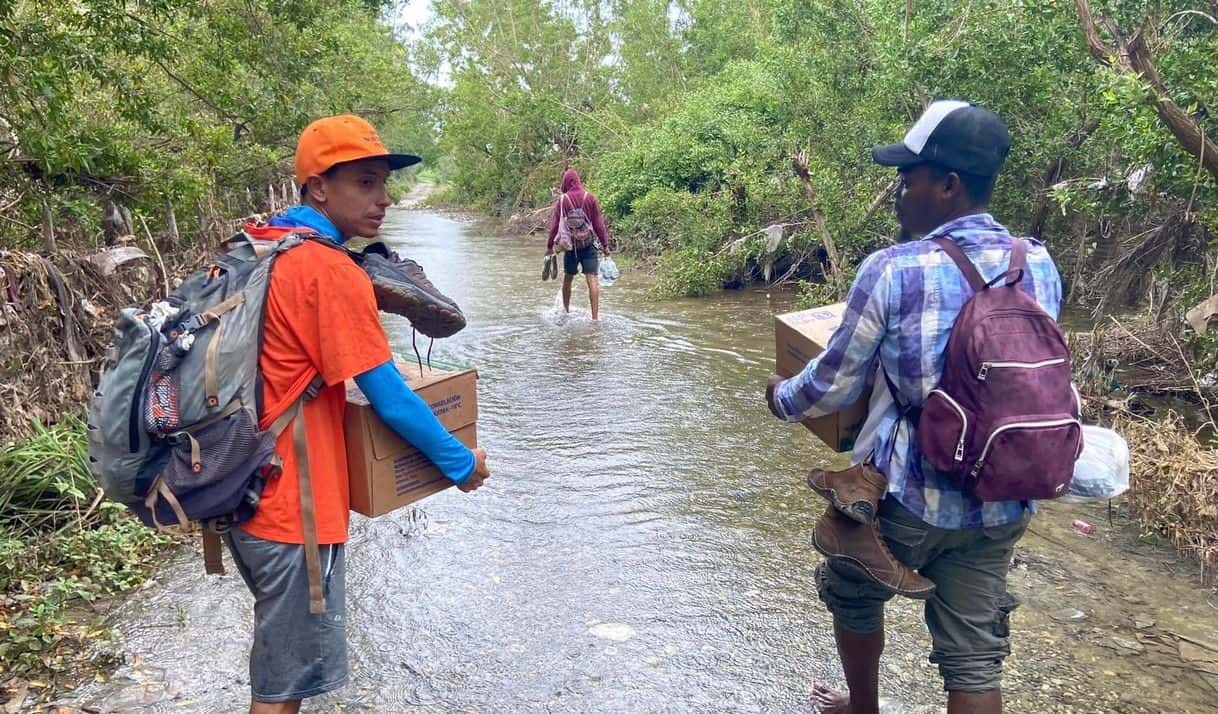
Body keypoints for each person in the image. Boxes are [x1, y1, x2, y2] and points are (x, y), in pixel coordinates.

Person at [765, 101, 1063, 714]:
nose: (899, 191)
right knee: (974, 650)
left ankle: (863, 708)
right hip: (1006, 487)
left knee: (848, 578)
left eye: (910, 178)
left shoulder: (894, 268)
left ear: (949, 185)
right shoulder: (1037, 261)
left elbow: (834, 386)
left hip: (911, 493)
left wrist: (780, 397)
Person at [230, 114, 491, 714]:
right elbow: (390, 396)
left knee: (279, 662)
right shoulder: (327, 269)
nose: (384, 200)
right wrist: (460, 463)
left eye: (384, 184)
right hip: (292, 508)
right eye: (366, 183)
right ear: (319, 188)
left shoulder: (261, 245)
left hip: (238, 490)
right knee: (283, 687)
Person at [546, 168, 611, 320]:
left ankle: (566, 311)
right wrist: (605, 245)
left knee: (568, 278)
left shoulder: (562, 200)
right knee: (592, 280)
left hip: (570, 248)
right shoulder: (590, 198)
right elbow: (599, 224)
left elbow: (554, 225)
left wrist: (549, 246)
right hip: (589, 246)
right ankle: (595, 318)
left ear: (566, 182)